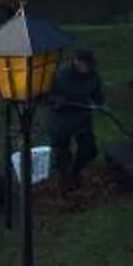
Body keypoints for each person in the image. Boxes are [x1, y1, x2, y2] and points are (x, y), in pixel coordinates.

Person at [46, 48, 103, 194]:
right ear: (77, 62)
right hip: (61, 118)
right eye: (86, 65)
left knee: (89, 149)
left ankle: (75, 172)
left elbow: (97, 93)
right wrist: (60, 102)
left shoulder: (93, 75)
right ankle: (64, 182)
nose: (88, 68)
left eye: (91, 65)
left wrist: (98, 103)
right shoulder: (60, 75)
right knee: (62, 153)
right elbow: (48, 96)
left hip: (82, 117)